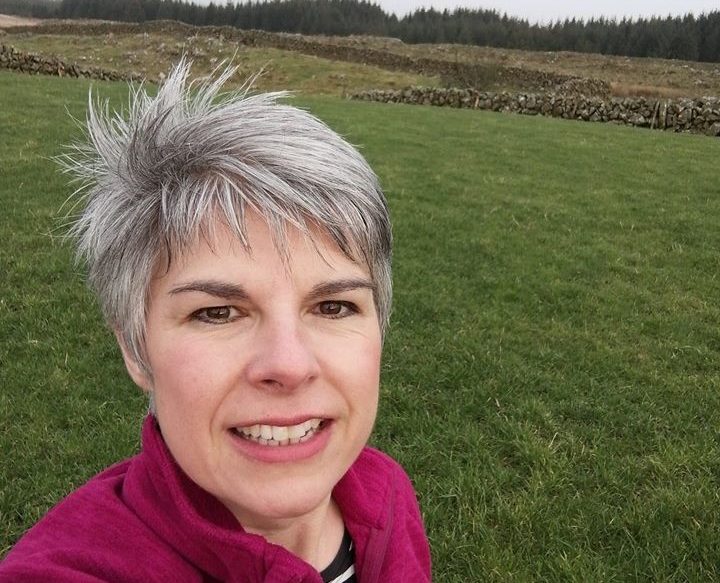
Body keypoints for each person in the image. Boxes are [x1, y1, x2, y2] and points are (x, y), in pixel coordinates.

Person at [0, 59, 431, 582]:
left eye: (333, 306)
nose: (289, 365)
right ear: (135, 349)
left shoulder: (384, 491)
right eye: (218, 312)